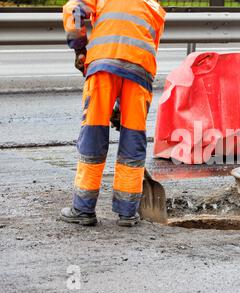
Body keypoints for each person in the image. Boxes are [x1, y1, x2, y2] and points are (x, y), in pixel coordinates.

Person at [60, 0, 166, 227]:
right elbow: (146, 49)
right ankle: (128, 213)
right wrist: (121, 107)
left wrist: (80, 47)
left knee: (94, 134)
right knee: (133, 136)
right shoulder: (155, 7)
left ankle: (83, 209)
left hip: (103, 66)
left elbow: (73, 9)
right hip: (141, 73)